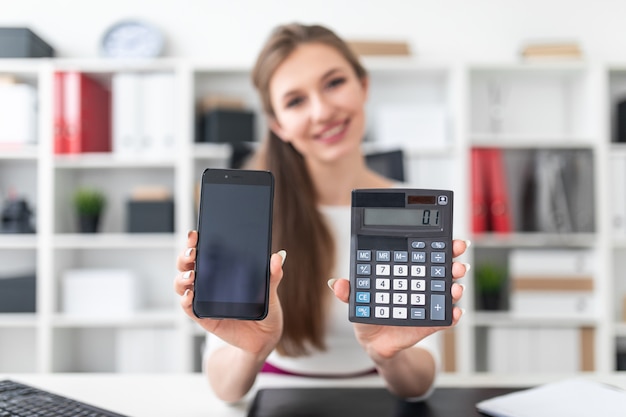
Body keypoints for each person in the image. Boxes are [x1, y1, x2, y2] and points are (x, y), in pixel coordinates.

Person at [174, 22, 469, 404]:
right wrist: (254, 349)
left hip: (378, 396)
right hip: (275, 393)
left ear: (363, 86)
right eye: (295, 101)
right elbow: (225, 390)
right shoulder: (251, 213)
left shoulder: (421, 214)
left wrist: (386, 355)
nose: (323, 111)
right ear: (279, 124)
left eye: (333, 83)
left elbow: (419, 386)